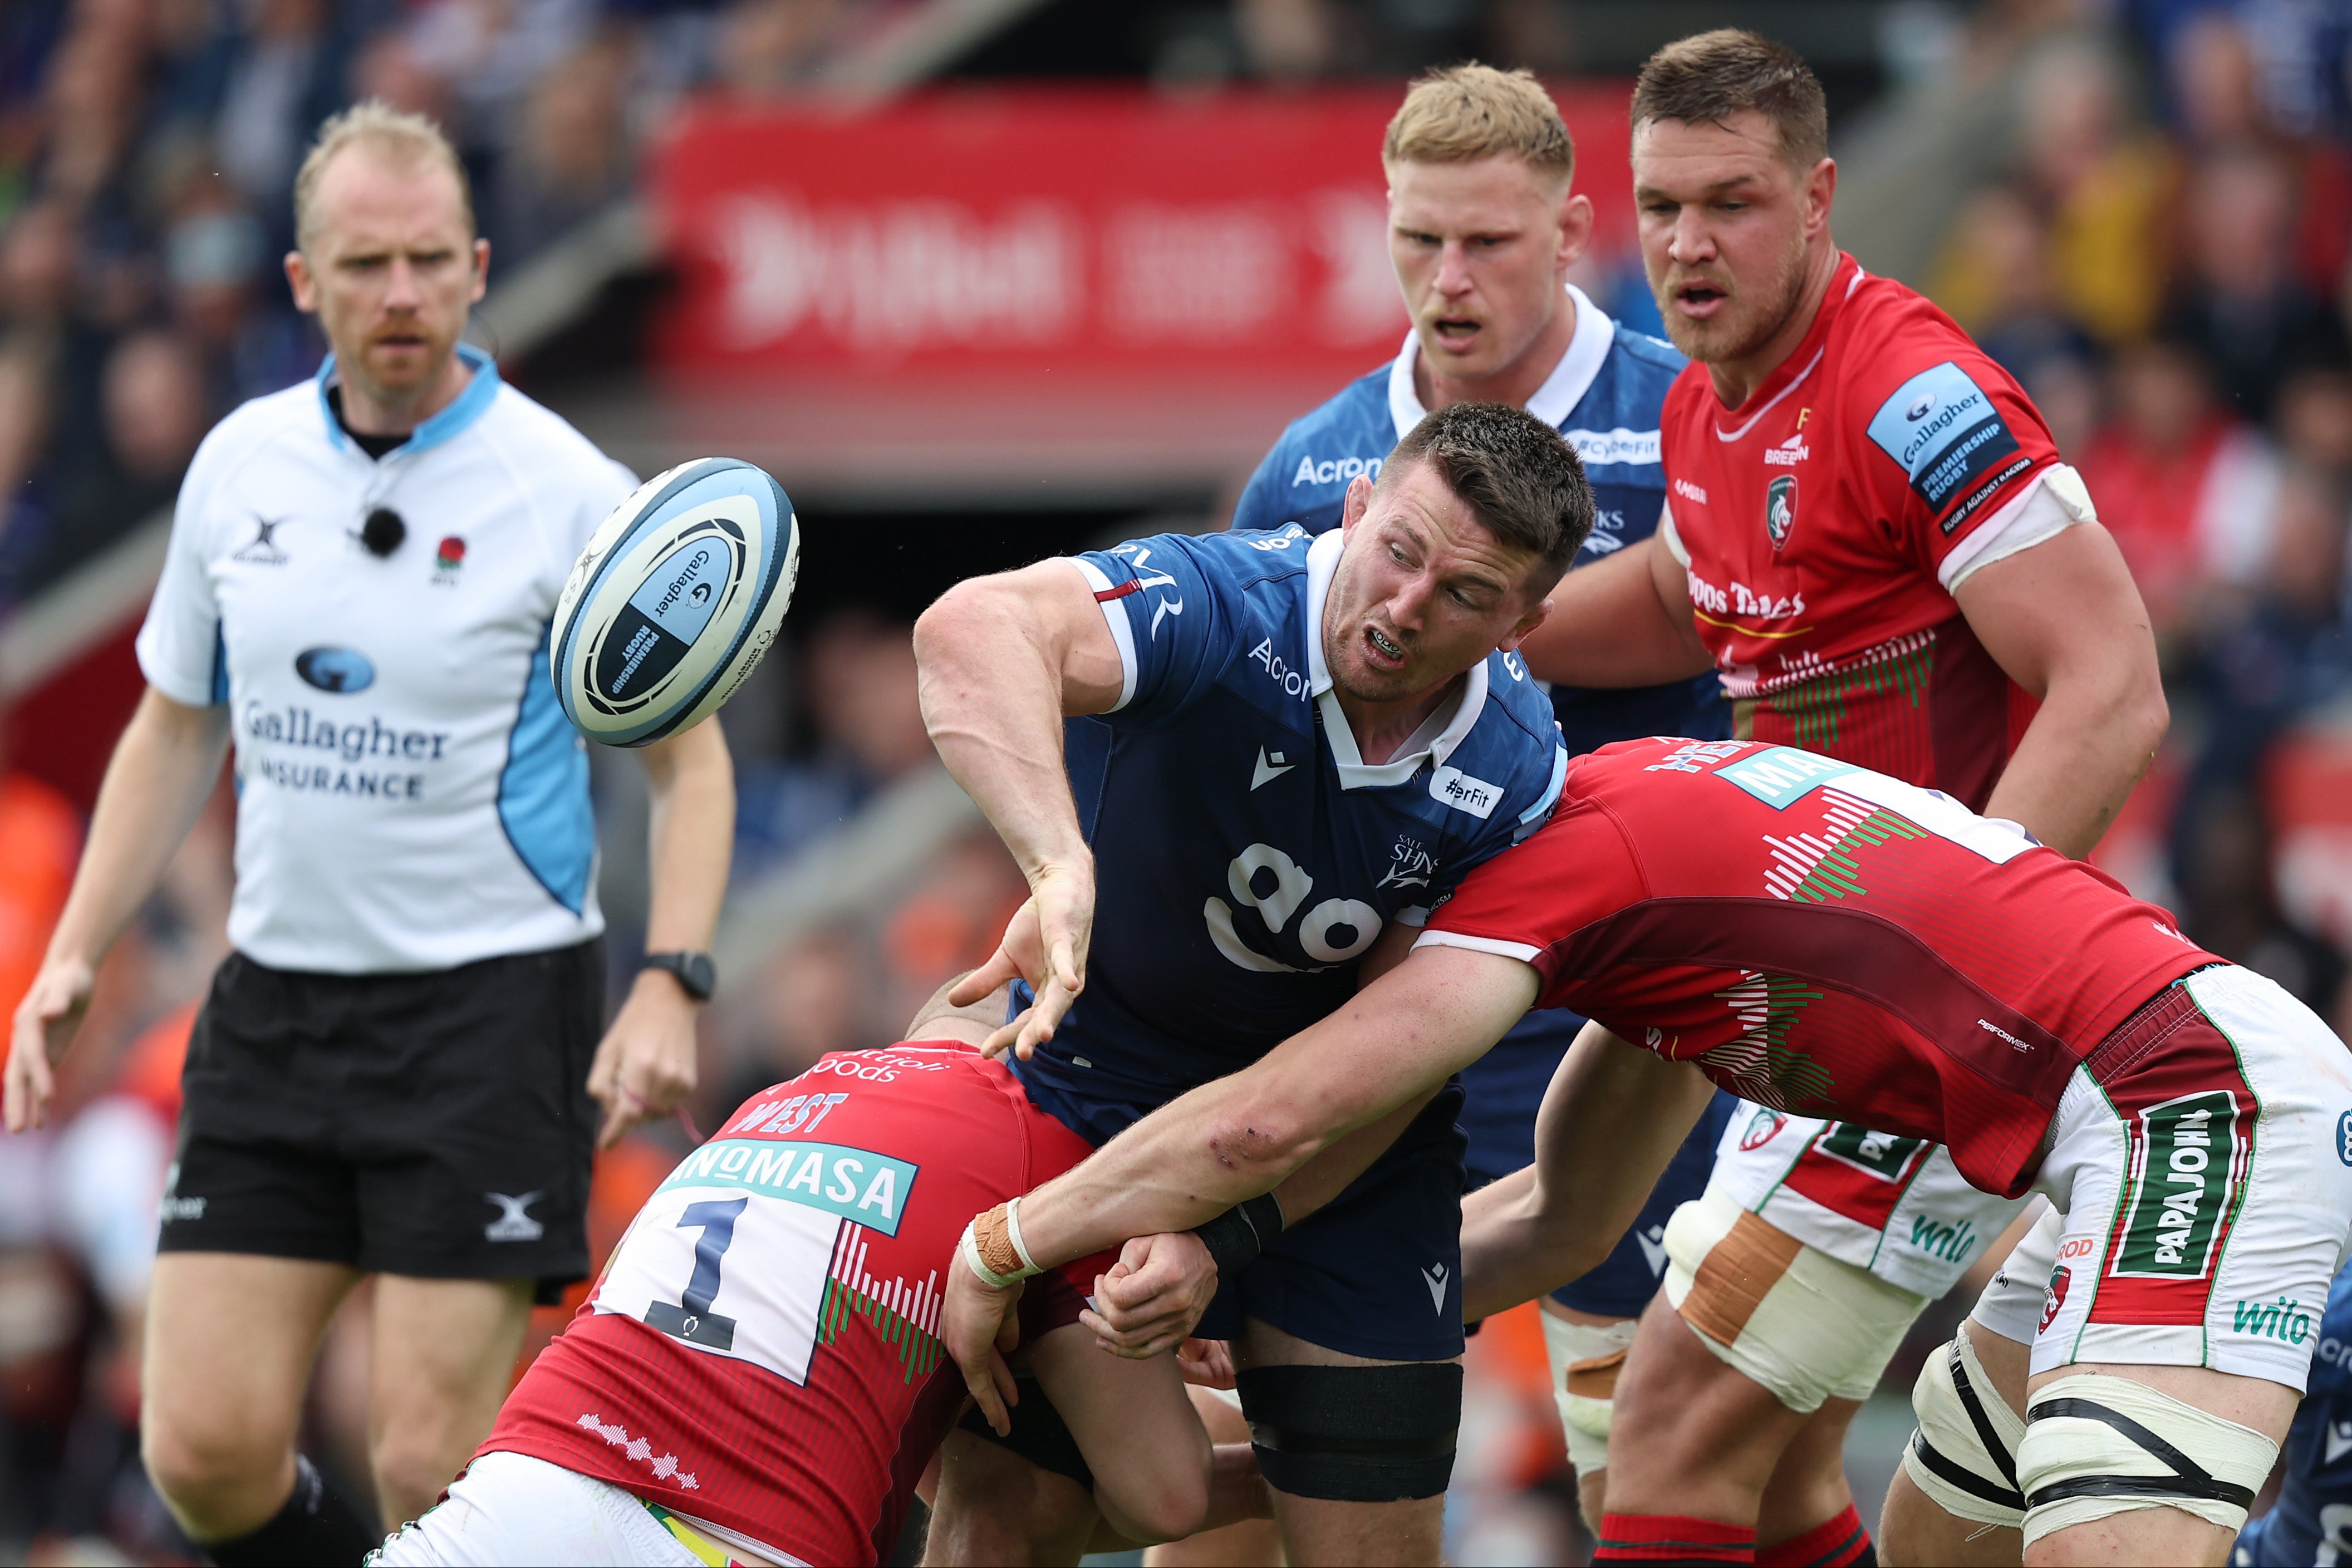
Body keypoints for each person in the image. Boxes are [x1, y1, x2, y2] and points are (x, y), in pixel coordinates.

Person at [943, 735, 2352, 1568]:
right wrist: (1252, 1294)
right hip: (2109, 1117)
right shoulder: (1642, 885)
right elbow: (1560, 1220)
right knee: (1933, 1547)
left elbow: (1274, 1111)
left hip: (2188, 1097)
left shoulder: (1563, 866)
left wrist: (1015, 1239)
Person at [3, 103, 735, 1565]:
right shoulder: (240, 466)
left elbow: (690, 759)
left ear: (474, 268)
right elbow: (170, 723)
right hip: (278, 1007)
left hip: (489, 1016)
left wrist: (674, 975)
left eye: (423, 262)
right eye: (362, 265)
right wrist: (74, 954)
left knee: (425, 1455)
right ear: (301, 281)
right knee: (201, 1452)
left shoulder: (571, 488)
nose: (397, 294)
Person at [1507, 30, 2169, 1558]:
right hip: (1810, 1000)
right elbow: (1699, 589)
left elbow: (2113, 688)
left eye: (1729, 202)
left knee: (1669, 1426)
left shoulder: (1916, 392)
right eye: (1659, 205)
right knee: (1781, 1473)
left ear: (1816, 197)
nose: (1686, 243)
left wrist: (1948, 970)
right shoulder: (1702, 403)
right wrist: (1494, 627)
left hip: (1928, 1007)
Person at [911, 400, 1584, 1565]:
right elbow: (971, 627)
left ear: (1524, 620)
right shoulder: (1216, 604)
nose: (1407, 605)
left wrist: (1227, 1234)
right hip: (1090, 1091)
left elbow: (1377, 1068)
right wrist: (1054, 857)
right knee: (1006, 1518)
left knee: (1365, 1537)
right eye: (1401, 551)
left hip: (1341, 1150)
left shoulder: (1517, 776)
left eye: (1467, 594)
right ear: (1357, 507)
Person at [1222, 63, 1732, 1530]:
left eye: (1489, 245)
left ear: (1571, 233)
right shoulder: (1310, 463)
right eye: (1418, 242)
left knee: (1645, 1457)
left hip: (1636, 1013)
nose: (1448, 282)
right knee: (1274, 1451)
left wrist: (1389, 615)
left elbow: (1691, 618)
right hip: (1401, 1007)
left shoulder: (1684, 413)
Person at [374, 979, 1400, 1567]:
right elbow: (1165, 1493)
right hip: (743, 1538)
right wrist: (1308, 1476)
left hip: (528, 1483)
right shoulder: (1056, 1152)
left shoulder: (782, 1093)